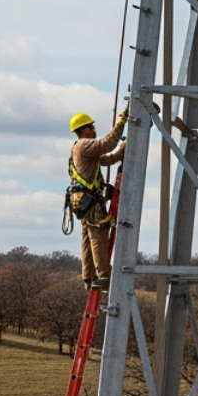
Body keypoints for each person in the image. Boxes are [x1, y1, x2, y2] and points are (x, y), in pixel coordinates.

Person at [66, 109, 127, 289]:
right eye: (91, 127)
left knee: (88, 235)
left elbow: (106, 159)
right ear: (84, 130)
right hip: (88, 200)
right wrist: (120, 123)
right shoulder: (85, 144)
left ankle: (89, 276)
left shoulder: (83, 148)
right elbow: (107, 144)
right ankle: (103, 275)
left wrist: (121, 151)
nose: (94, 129)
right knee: (98, 235)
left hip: (83, 199)